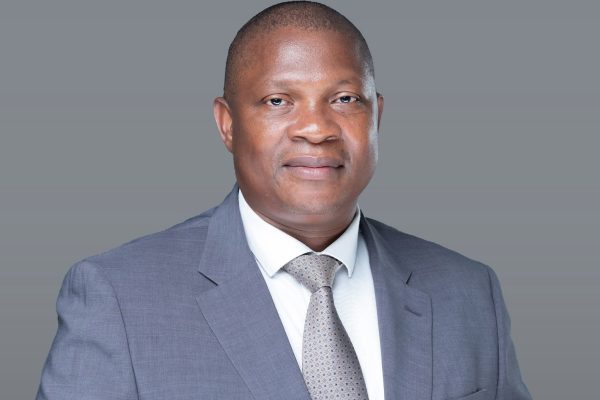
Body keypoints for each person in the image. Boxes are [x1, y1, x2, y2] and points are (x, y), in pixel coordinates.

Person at [36, 2, 531, 400]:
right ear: (228, 124)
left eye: (344, 99)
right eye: (278, 101)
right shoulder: (119, 298)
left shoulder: (467, 292)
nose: (316, 129)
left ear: (376, 116)